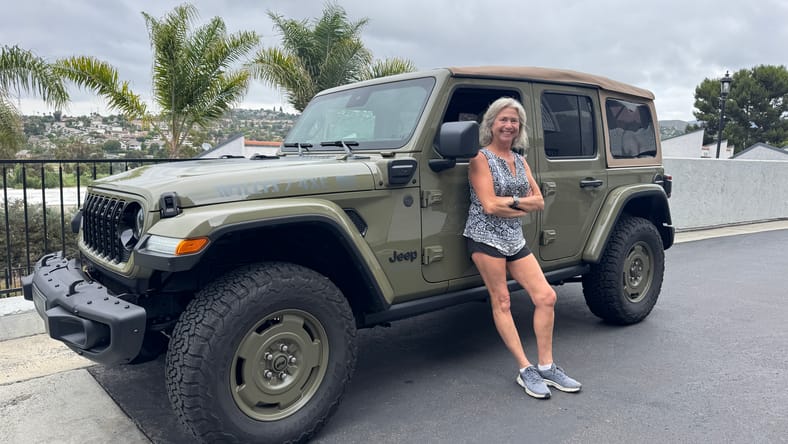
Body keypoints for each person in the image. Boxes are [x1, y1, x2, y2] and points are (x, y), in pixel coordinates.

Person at [463, 97, 581, 399]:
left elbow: (539, 201)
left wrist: (512, 205)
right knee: (502, 301)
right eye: (503, 119)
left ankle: (546, 366)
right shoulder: (479, 158)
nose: (508, 125)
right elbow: (488, 205)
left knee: (546, 296)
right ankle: (524, 368)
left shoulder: (521, 160)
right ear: (491, 123)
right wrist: (519, 205)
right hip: (484, 237)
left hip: (514, 237)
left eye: (514, 121)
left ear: (520, 128)